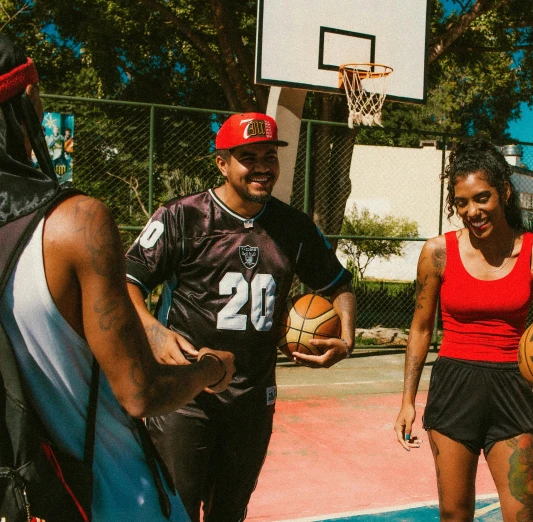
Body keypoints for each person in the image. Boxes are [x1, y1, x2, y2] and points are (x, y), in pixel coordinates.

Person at [0, 35, 236, 520]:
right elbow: (140, 393)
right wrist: (212, 368)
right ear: (23, 104)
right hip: (112, 497)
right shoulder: (74, 224)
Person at [125, 112, 357, 521]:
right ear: (222, 163)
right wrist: (153, 331)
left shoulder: (293, 227)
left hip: (253, 398)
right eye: (248, 157)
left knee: (229, 513)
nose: (262, 167)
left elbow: (338, 285)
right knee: (174, 512)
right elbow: (125, 284)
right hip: (186, 394)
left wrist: (348, 337)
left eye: (270, 156)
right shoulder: (182, 217)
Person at [394, 138, 533, 522]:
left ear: (505, 191)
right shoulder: (438, 252)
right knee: (454, 515)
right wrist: (406, 402)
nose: (472, 211)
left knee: (523, 516)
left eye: (482, 198)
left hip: (512, 388)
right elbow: (420, 328)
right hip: (454, 388)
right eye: (462, 203)